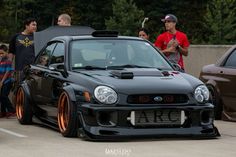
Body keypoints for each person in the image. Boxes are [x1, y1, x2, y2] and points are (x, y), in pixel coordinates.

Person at [8, 18, 37, 84]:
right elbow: (11, 53)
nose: (35, 27)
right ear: (26, 26)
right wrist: (9, 68)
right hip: (19, 69)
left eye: (36, 25)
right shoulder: (16, 37)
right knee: (18, 89)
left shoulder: (37, 37)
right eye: (33, 25)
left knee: (31, 91)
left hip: (33, 70)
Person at [0, 44, 15, 118]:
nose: (1, 55)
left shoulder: (8, 61)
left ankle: (12, 111)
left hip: (7, 82)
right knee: (1, 96)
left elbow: (7, 72)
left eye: (2, 53)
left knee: (3, 96)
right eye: (0, 53)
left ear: (7, 52)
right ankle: (3, 113)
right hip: (2, 82)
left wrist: (2, 82)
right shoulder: (1, 61)